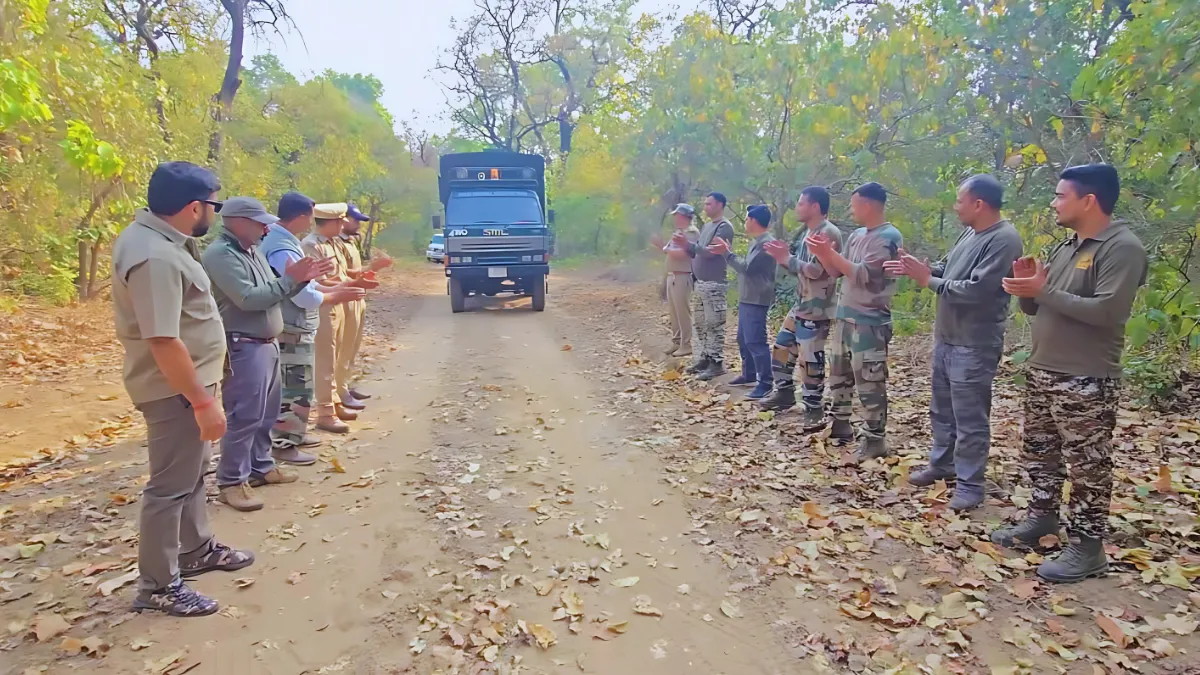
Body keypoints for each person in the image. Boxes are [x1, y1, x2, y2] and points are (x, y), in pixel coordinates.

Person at [111, 161, 254, 617]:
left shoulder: (167, 242)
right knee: (170, 488)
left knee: (192, 476)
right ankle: (158, 585)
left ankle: (195, 550)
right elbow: (162, 338)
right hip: (175, 391)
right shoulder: (152, 254)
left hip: (189, 386)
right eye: (213, 205)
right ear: (195, 207)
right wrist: (202, 400)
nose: (213, 213)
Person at [993, 164, 1146, 584]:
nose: (1054, 203)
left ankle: (1087, 546)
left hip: (1086, 377)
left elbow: (1108, 312)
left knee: (1087, 465)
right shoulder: (1066, 247)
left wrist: (1043, 291)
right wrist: (1029, 287)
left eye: (1061, 196)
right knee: (1040, 453)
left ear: (1088, 200)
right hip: (1044, 369)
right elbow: (1040, 306)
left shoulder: (1120, 247)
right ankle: (1041, 519)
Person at [885, 175, 1023, 511]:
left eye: (960, 200)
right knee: (942, 410)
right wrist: (923, 268)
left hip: (974, 343)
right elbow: (951, 270)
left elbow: (976, 290)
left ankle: (971, 485)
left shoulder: (1004, 239)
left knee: (970, 417)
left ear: (979, 204)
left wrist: (927, 280)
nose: (955, 206)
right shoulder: (970, 233)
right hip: (948, 338)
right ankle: (942, 464)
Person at [201, 197, 332, 512]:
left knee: (267, 412)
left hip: (265, 342)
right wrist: (292, 280)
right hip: (243, 343)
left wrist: (300, 280)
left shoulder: (251, 250)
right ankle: (231, 481)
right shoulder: (221, 254)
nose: (265, 226)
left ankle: (260, 466)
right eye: (259, 221)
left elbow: (274, 288)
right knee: (244, 415)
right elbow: (248, 299)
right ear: (238, 221)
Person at [261, 192, 366, 457]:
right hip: (291, 323)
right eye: (309, 217)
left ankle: (295, 433)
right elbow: (300, 293)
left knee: (299, 384)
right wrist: (334, 295)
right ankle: (285, 443)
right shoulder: (283, 247)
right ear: (301, 217)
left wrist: (338, 286)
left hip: (296, 322)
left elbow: (306, 282)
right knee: (293, 387)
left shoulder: (285, 241)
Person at [807, 182, 902, 460]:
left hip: (870, 321)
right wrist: (824, 255)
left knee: (870, 383)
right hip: (846, 317)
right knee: (840, 376)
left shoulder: (888, 237)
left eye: (854, 204)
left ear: (868, 205)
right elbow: (838, 272)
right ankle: (841, 424)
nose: (850, 210)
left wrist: (830, 253)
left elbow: (863, 275)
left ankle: (875, 439)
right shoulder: (857, 235)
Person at [760, 187, 844, 424]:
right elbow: (801, 268)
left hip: (817, 308)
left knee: (810, 359)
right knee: (782, 347)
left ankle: (813, 408)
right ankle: (785, 393)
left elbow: (819, 271)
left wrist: (786, 259)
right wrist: (784, 259)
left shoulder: (829, 233)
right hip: (801, 305)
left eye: (800, 204)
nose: (797, 208)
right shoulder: (810, 232)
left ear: (815, 206)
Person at [707, 205, 778, 400]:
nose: (745, 222)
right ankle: (749, 373)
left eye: (747, 219)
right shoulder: (757, 241)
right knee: (743, 338)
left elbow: (746, 268)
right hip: (748, 297)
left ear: (754, 221)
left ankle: (765, 383)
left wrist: (727, 253)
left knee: (756, 341)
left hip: (757, 299)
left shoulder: (766, 243)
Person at [303, 204, 355, 433]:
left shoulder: (333, 243)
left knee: (337, 355)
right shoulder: (311, 245)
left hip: (338, 302)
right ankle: (325, 412)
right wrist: (349, 285)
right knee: (325, 359)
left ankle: (334, 403)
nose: (343, 225)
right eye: (340, 221)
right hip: (324, 306)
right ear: (330, 222)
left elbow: (339, 275)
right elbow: (318, 282)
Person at [334, 204, 390, 410]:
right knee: (342, 347)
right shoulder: (335, 243)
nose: (358, 224)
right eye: (354, 219)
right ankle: (338, 392)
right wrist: (372, 267)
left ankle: (345, 384)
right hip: (344, 297)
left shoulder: (350, 242)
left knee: (353, 346)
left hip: (357, 297)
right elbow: (342, 273)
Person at [674, 192, 735, 380]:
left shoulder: (724, 227)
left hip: (715, 283)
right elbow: (697, 253)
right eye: (705, 203)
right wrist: (685, 246)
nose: (705, 207)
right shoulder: (707, 226)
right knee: (701, 324)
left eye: (709, 204)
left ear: (720, 205)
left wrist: (688, 245)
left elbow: (710, 253)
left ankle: (716, 362)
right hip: (700, 282)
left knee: (714, 324)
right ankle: (705, 358)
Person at [651, 204, 700, 357]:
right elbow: (669, 250)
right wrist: (662, 247)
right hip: (673, 275)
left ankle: (686, 344)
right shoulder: (679, 233)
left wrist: (663, 248)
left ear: (685, 216)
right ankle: (676, 341)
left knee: (682, 311)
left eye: (677, 215)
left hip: (683, 275)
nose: (675, 218)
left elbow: (682, 254)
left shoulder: (691, 233)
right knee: (674, 312)